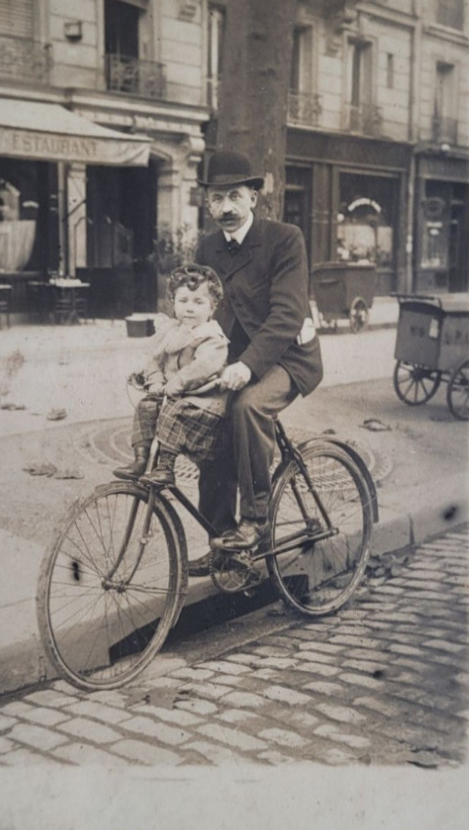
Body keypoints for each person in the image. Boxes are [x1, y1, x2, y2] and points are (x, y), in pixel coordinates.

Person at [190, 149, 324, 571]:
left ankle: (255, 518)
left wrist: (247, 366)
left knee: (248, 407)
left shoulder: (285, 239)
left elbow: (287, 314)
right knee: (206, 420)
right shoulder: (207, 248)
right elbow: (196, 310)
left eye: (233, 196)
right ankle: (223, 545)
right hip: (231, 361)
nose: (225, 208)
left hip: (288, 356)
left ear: (253, 196)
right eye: (215, 199)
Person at [113, 264, 229, 488]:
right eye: (183, 301)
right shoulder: (171, 331)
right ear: (173, 302)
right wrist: (155, 380)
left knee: (173, 411)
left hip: (202, 401)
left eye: (198, 302)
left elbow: (202, 368)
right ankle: (140, 459)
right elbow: (154, 359)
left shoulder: (211, 336)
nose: (189, 308)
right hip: (173, 395)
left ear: (212, 307)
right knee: (147, 406)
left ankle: (166, 467)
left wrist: (175, 384)